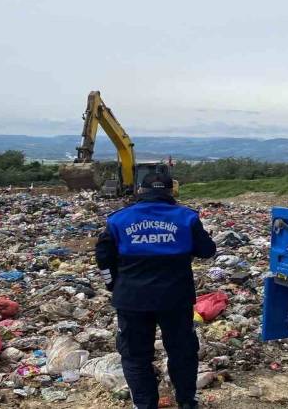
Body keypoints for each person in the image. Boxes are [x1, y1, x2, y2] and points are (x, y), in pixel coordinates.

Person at [95, 172, 216, 409]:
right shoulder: (187, 218)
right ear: (171, 191)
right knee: (182, 352)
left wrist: (113, 284)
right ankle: (187, 401)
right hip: (176, 299)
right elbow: (207, 251)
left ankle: (144, 404)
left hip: (131, 300)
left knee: (135, 356)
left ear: (140, 190)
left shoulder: (119, 220)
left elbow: (103, 255)